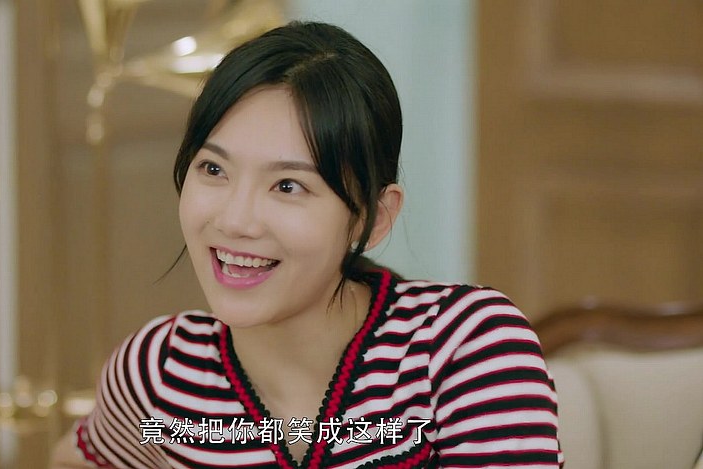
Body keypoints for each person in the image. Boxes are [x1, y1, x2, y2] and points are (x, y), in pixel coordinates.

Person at [52, 21, 563, 468]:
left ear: (373, 217)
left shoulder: (463, 350)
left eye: (288, 186)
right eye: (213, 169)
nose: (235, 220)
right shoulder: (160, 374)